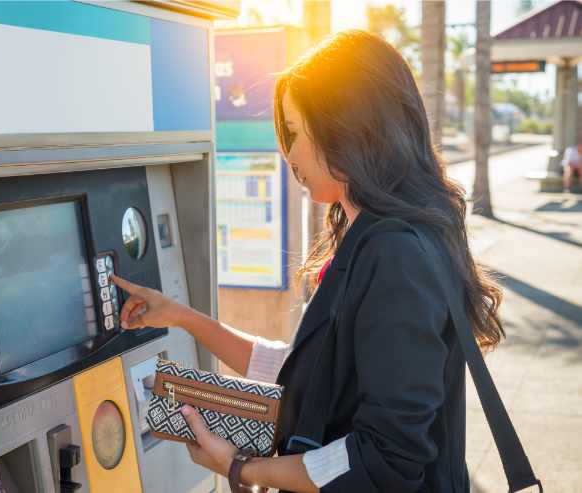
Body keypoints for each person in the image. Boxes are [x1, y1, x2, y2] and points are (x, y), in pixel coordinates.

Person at [111, 30, 504, 492]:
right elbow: (311, 373)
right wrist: (179, 316)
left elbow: (384, 458)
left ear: (348, 128)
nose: (289, 153)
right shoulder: (380, 237)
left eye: (296, 132)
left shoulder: (395, 255)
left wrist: (242, 468)